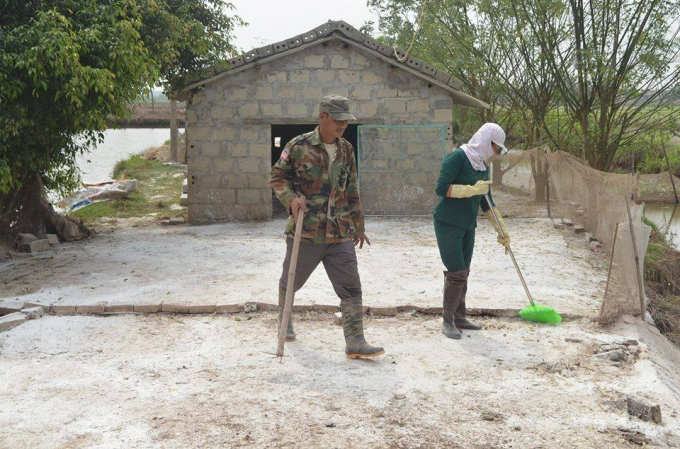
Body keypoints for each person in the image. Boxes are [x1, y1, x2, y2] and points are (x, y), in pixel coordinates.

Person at [270, 94, 384, 359]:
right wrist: (291, 199)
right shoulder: (298, 146)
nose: (343, 125)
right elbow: (277, 177)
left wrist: (358, 225)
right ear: (323, 117)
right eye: (338, 120)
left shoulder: (346, 150)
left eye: (346, 121)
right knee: (291, 281)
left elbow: (352, 189)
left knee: (351, 287)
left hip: (339, 232)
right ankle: (284, 322)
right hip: (307, 230)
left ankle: (355, 341)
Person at [433, 123, 511, 339]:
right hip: (448, 222)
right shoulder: (457, 157)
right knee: (456, 271)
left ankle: (460, 317)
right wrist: (470, 190)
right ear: (485, 140)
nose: (495, 151)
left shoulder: (482, 166)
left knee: (464, 270)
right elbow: (440, 188)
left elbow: (486, 200)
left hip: (468, 224)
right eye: (495, 147)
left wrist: (501, 229)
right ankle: (447, 321)